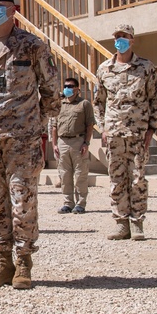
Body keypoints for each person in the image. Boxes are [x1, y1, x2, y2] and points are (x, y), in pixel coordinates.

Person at [0, 0, 60, 290]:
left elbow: (51, 89)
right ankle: (2, 261)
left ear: (14, 9)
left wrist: (38, 124)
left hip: (23, 136)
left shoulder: (32, 46)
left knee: (23, 199)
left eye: (0, 5)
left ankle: (24, 262)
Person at [94, 24, 157, 241]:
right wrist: (103, 128)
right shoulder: (105, 69)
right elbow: (98, 103)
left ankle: (138, 222)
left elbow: (156, 98)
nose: (119, 40)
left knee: (137, 179)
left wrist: (152, 127)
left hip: (138, 133)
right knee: (116, 179)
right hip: (114, 133)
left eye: (124, 37)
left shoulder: (145, 67)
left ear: (132, 40)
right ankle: (121, 223)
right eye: (117, 37)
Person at [49, 77, 95, 215]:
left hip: (78, 141)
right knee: (65, 174)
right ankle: (68, 203)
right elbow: (54, 126)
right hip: (62, 142)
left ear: (77, 89)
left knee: (80, 174)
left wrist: (86, 143)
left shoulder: (84, 104)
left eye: (70, 86)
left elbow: (90, 125)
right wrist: (54, 144)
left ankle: (81, 203)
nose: (67, 88)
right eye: (66, 85)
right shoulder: (60, 104)